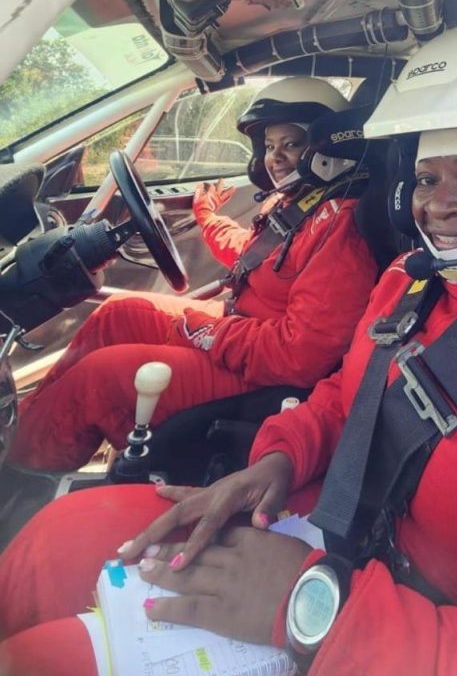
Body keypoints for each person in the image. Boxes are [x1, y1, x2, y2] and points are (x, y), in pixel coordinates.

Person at [0, 19, 457, 675]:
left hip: (394, 626)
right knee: (53, 540)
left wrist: (307, 606)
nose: (436, 205)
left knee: (41, 662)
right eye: (425, 178)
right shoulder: (414, 282)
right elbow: (345, 398)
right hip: (327, 530)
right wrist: (281, 457)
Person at [9, 77, 378, 473]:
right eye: (269, 146)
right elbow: (252, 254)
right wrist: (206, 216)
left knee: (99, 380)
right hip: (241, 332)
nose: (275, 157)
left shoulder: (341, 226)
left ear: (326, 145)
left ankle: (19, 474)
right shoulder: (298, 201)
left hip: (266, 375)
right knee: (120, 311)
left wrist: (207, 332)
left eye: (291, 143)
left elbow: (300, 356)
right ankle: (21, 430)